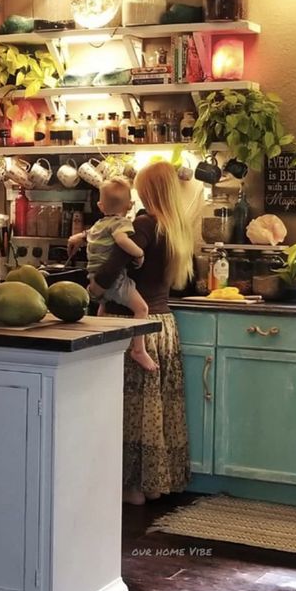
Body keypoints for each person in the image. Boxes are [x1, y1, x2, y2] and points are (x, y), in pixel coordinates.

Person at [91, 162, 194, 505]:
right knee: (155, 410)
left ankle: (131, 488)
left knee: (131, 409)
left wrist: (95, 287)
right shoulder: (175, 226)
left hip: (133, 326)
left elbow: (115, 261)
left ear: (149, 191)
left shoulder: (145, 224)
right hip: (161, 324)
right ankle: (153, 484)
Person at [68, 177, 156, 371]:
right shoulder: (121, 223)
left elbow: (88, 235)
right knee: (141, 309)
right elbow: (122, 240)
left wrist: (76, 237)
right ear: (130, 204)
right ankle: (139, 350)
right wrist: (139, 253)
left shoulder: (99, 224)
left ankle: (101, 344)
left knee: (103, 309)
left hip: (93, 278)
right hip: (114, 281)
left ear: (100, 205)